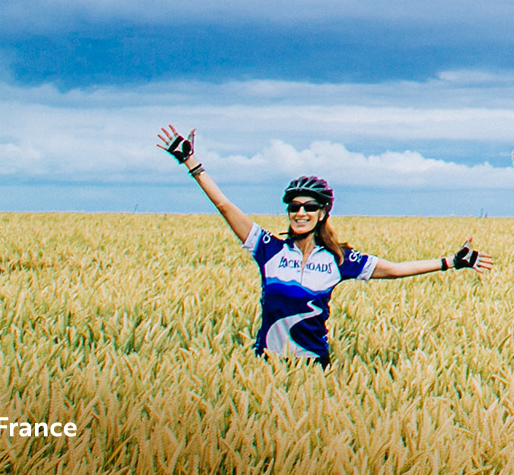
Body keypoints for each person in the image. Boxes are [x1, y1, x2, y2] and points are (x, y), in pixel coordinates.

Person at [158, 126, 489, 365]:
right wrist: (192, 164)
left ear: (322, 213)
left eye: (309, 206)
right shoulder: (268, 248)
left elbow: (394, 270)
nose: (300, 212)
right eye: (294, 206)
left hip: (314, 366)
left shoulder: (338, 258)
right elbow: (226, 207)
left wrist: (451, 262)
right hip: (265, 366)